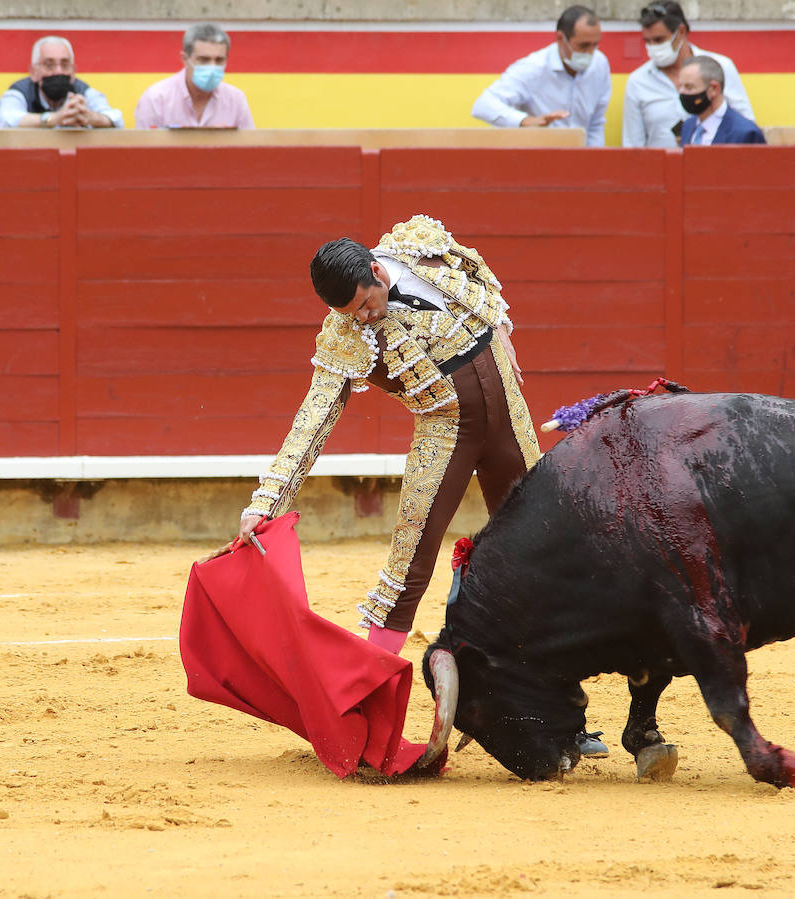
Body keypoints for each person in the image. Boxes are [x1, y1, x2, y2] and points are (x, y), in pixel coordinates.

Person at [232, 214, 608, 758]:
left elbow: (476, 271)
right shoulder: (346, 334)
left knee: (548, 561)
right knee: (406, 572)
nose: (364, 317)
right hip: (446, 433)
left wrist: (501, 324)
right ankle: (364, 720)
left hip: (511, 421)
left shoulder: (419, 248)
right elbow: (313, 418)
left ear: (377, 272)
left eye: (365, 303)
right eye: (350, 313)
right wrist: (266, 501)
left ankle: (565, 722)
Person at [471, 6, 611, 147]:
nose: (590, 53)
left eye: (595, 45)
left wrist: (595, 160)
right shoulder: (533, 68)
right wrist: (525, 121)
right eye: (583, 45)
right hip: (538, 159)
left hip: (582, 159)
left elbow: (595, 124)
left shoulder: (600, 65)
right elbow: (483, 105)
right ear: (560, 38)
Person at [623, 1, 754, 149]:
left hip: (720, 166)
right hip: (660, 169)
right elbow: (633, 146)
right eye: (647, 41)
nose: (653, 47)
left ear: (681, 31)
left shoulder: (720, 67)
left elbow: (746, 126)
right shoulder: (638, 81)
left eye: (659, 40)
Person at [135, 23, 255, 129]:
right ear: (185, 59)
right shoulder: (156, 99)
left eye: (219, 60)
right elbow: (142, 150)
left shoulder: (235, 100)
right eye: (204, 59)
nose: (212, 67)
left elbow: (251, 149)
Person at [0, 36, 122, 129]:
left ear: (73, 72)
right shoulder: (19, 92)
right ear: (33, 72)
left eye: (65, 65)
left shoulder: (84, 92)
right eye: (49, 65)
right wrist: (53, 118)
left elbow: (116, 119)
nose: (58, 71)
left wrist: (89, 117)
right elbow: (7, 119)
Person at [677, 56, 765, 146]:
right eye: (680, 86)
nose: (682, 92)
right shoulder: (688, 125)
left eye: (689, 87)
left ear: (714, 89)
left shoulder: (746, 133)